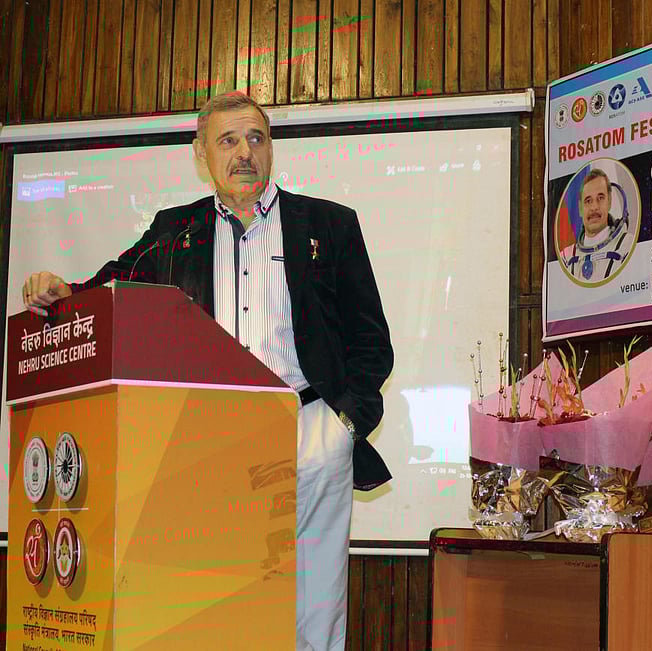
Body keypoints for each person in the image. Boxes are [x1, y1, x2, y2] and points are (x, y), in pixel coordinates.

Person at [22, 91, 393, 651]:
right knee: (217, 608)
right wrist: (64, 293)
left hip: (308, 429)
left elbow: (371, 341)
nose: (244, 152)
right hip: (207, 441)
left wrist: (343, 429)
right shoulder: (174, 231)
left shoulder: (329, 224)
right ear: (202, 154)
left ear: (270, 148)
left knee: (314, 614)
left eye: (256, 138)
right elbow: (114, 288)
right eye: (227, 141)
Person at [560, 167, 631, 282]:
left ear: (609, 201)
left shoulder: (627, 246)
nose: (594, 207)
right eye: (588, 201)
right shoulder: (566, 257)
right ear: (580, 208)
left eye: (600, 198)